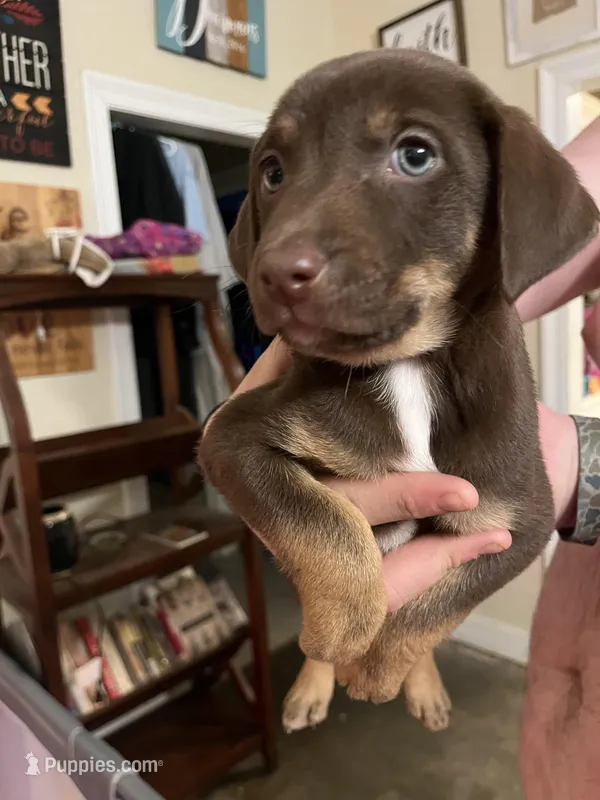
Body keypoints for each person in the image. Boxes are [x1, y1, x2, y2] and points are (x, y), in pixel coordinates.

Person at [207, 116, 600, 798]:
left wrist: (579, 466)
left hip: (562, 504)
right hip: (578, 599)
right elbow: (508, 239)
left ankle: (404, 655)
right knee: (339, 517)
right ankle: (328, 657)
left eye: (412, 153)